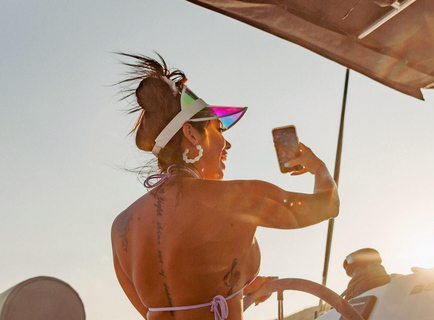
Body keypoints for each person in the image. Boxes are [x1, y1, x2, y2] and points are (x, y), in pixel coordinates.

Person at [111, 53, 340, 320]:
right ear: (191, 134)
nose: (227, 144)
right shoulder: (238, 198)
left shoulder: (121, 226)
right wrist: (317, 165)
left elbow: (169, 307)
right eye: (219, 129)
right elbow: (328, 205)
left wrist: (238, 289)